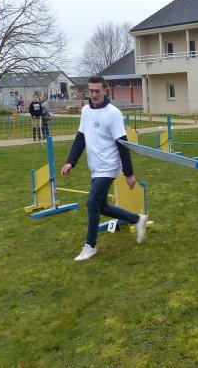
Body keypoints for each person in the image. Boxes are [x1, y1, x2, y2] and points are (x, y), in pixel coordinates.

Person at [60, 75, 148, 261]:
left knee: (91, 203)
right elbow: (80, 138)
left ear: (105, 91)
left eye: (97, 91)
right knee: (102, 207)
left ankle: (90, 246)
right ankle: (137, 219)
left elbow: (123, 144)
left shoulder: (113, 113)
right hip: (95, 166)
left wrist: (129, 174)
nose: (93, 94)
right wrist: (71, 162)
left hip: (109, 166)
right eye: (90, 91)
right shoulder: (85, 111)